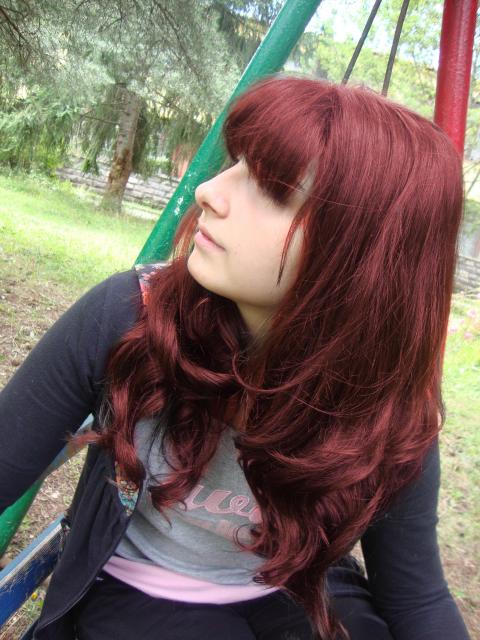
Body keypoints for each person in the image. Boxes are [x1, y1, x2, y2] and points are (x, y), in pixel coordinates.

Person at [0, 76, 471, 640]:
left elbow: (416, 595)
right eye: (236, 163)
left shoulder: (388, 393)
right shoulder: (131, 318)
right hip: (144, 587)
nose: (209, 192)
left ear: (364, 254)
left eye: (272, 189)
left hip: (290, 587)